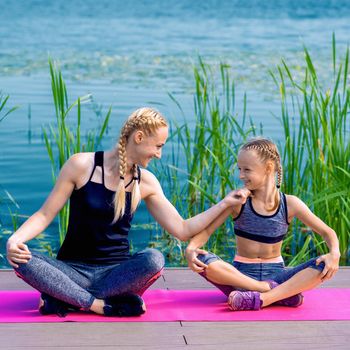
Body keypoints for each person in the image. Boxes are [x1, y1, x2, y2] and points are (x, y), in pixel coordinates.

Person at [6, 107, 241, 317]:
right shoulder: (81, 166)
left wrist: (224, 204)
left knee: (154, 259)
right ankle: (98, 304)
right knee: (23, 259)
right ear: (139, 137)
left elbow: (182, 229)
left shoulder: (146, 182)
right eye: (158, 146)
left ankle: (65, 297)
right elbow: (45, 214)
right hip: (72, 269)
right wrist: (16, 239)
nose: (159, 154)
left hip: (116, 275)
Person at [185, 137, 340, 311]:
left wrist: (334, 253)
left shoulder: (290, 204)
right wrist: (191, 249)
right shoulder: (238, 201)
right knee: (202, 259)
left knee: (322, 265)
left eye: (247, 170)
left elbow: (327, 232)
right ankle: (275, 293)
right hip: (239, 277)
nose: (241, 175)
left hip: (277, 274)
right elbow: (206, 232)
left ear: (268, 168)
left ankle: (262, 298)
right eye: (239, 169)